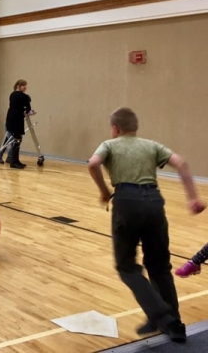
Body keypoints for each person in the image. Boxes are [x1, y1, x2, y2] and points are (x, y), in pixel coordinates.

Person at [88, 107, 206, 343]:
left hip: (126, 202)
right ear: (135, 127)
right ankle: (175, 324)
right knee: (160, 266)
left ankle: (160, 315)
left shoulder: (109, 145)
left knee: (127, 266)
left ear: (115, 128)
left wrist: (105, 192)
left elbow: (93, 164)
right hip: (154, 202)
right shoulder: (151, 145)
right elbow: (181, 163)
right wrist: (193, 197)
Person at [3, 79, 34, 168]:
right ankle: (14, 161)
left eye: (25, 85)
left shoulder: (12, 94)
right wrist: (30, 112)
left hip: (10, 118)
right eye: (23, 85)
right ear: (18, 86)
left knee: (14, 139)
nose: (25, 87)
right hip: (17, 119)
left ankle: (14, 160)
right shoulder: (25, 97)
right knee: (17, 140)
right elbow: (27, 109)